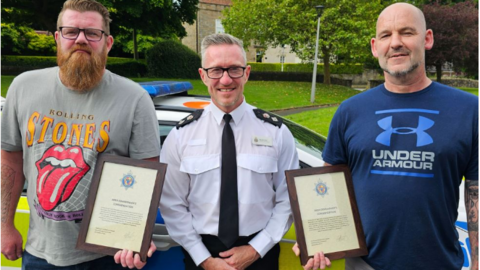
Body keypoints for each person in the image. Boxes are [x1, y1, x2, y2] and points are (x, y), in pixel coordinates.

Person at [294, 2, 478, 270]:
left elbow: (476, 192)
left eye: (406, 32)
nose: (395, 43)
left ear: (427, 39)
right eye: (385, 36)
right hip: (364, 265)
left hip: (438, 263)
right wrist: (316, 239)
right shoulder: (350, 111)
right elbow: (328, 185)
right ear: (374, 46)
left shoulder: (469, 110)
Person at [1, 0, 160, 269]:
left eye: (92, 33)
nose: (81, 39)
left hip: (106, 256)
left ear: (107, 43)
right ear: (57, 37)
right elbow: (9, 160)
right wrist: (5, 225)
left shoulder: (135, 99)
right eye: (71, 31)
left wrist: (135, 235)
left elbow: (146, 173)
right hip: (39, 252)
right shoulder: (23, 87)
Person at [159, 33, 299, 270]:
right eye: (216, 71)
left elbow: (289, 199)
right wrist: (204, 258)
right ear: (203, 75)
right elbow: (172, 203)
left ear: (247, 73)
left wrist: (256, 249)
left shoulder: (276, 132)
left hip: (261, 255)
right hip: (201, 255)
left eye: (234, 69)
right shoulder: (181, 135)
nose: (225, 80)